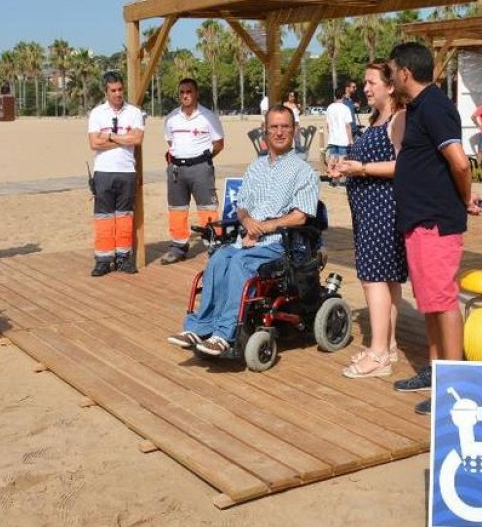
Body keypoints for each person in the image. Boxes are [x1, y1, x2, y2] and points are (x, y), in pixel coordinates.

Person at [166, 106, 319, 356]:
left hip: (280, 243)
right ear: (265, 130)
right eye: (274, 127)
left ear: (294, 130)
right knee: (218, 259)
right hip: (247, 238)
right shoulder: (255, 167)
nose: (279, 132)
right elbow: (242, 206)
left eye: (285, 127)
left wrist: (264, 227)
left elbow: (300, 215)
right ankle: (199, 327)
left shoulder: (304, 171)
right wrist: (247, 221)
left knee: (240, 263)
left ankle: (224, 334)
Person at [388, 42, 480, 415]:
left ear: (405, 72)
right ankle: (435, 369)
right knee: (429, 300)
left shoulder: (436, 107)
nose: (391, 78)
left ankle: (454, 385)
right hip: (419, 220)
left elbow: (460, 163)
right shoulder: (419, 107)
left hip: (436, 221)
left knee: (442, 300)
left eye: (392, 71)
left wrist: (465, 197)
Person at [332, 63, 408, 379]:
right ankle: (387, 345)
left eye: (371, 82)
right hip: (369, 209)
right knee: (386, 278)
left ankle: (378, 355)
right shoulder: (376, 118)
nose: (365, 88)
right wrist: (345, 166)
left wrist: (360, 169)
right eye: (364, 82)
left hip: (383, 208)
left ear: (390, 86)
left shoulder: (398, 118)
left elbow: (402, 165)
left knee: (373, 277)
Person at [160, 78, 225, 265]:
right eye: (182, 92)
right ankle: (178, 246)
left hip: (201, 168)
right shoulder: (171, 118)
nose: (185, 95)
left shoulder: (208, 116)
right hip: (176, 170)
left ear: (197, 93)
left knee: (207, 208)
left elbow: (219, 143)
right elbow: (170, 141)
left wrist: (202, 159)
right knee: (177, 209)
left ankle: (214, 244)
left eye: (189, 91)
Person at [88, 71, 145, 276]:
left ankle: (123, 258)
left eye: (120, 89)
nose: (118, 94)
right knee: (103, 217)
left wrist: (110, 136)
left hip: (126, 171)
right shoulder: (97, 113)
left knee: (125, 217)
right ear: (106, 92)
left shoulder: (134, 112)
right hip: (103, 172)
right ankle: (103, 260)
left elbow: (137, 139)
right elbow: (94, 143)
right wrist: (122, 139)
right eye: (113, 90)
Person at [324, 87, 354, 173]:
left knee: (332, 156)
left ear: (335, 96)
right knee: (342, 157)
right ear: (343, 95)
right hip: (343, 139)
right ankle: (339, 174)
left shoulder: (330, 107)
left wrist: (330, 134)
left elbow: (328, 124)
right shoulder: (345, 108)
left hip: (332, 138)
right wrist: (350, 140)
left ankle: (330, 172)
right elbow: (348, 126)